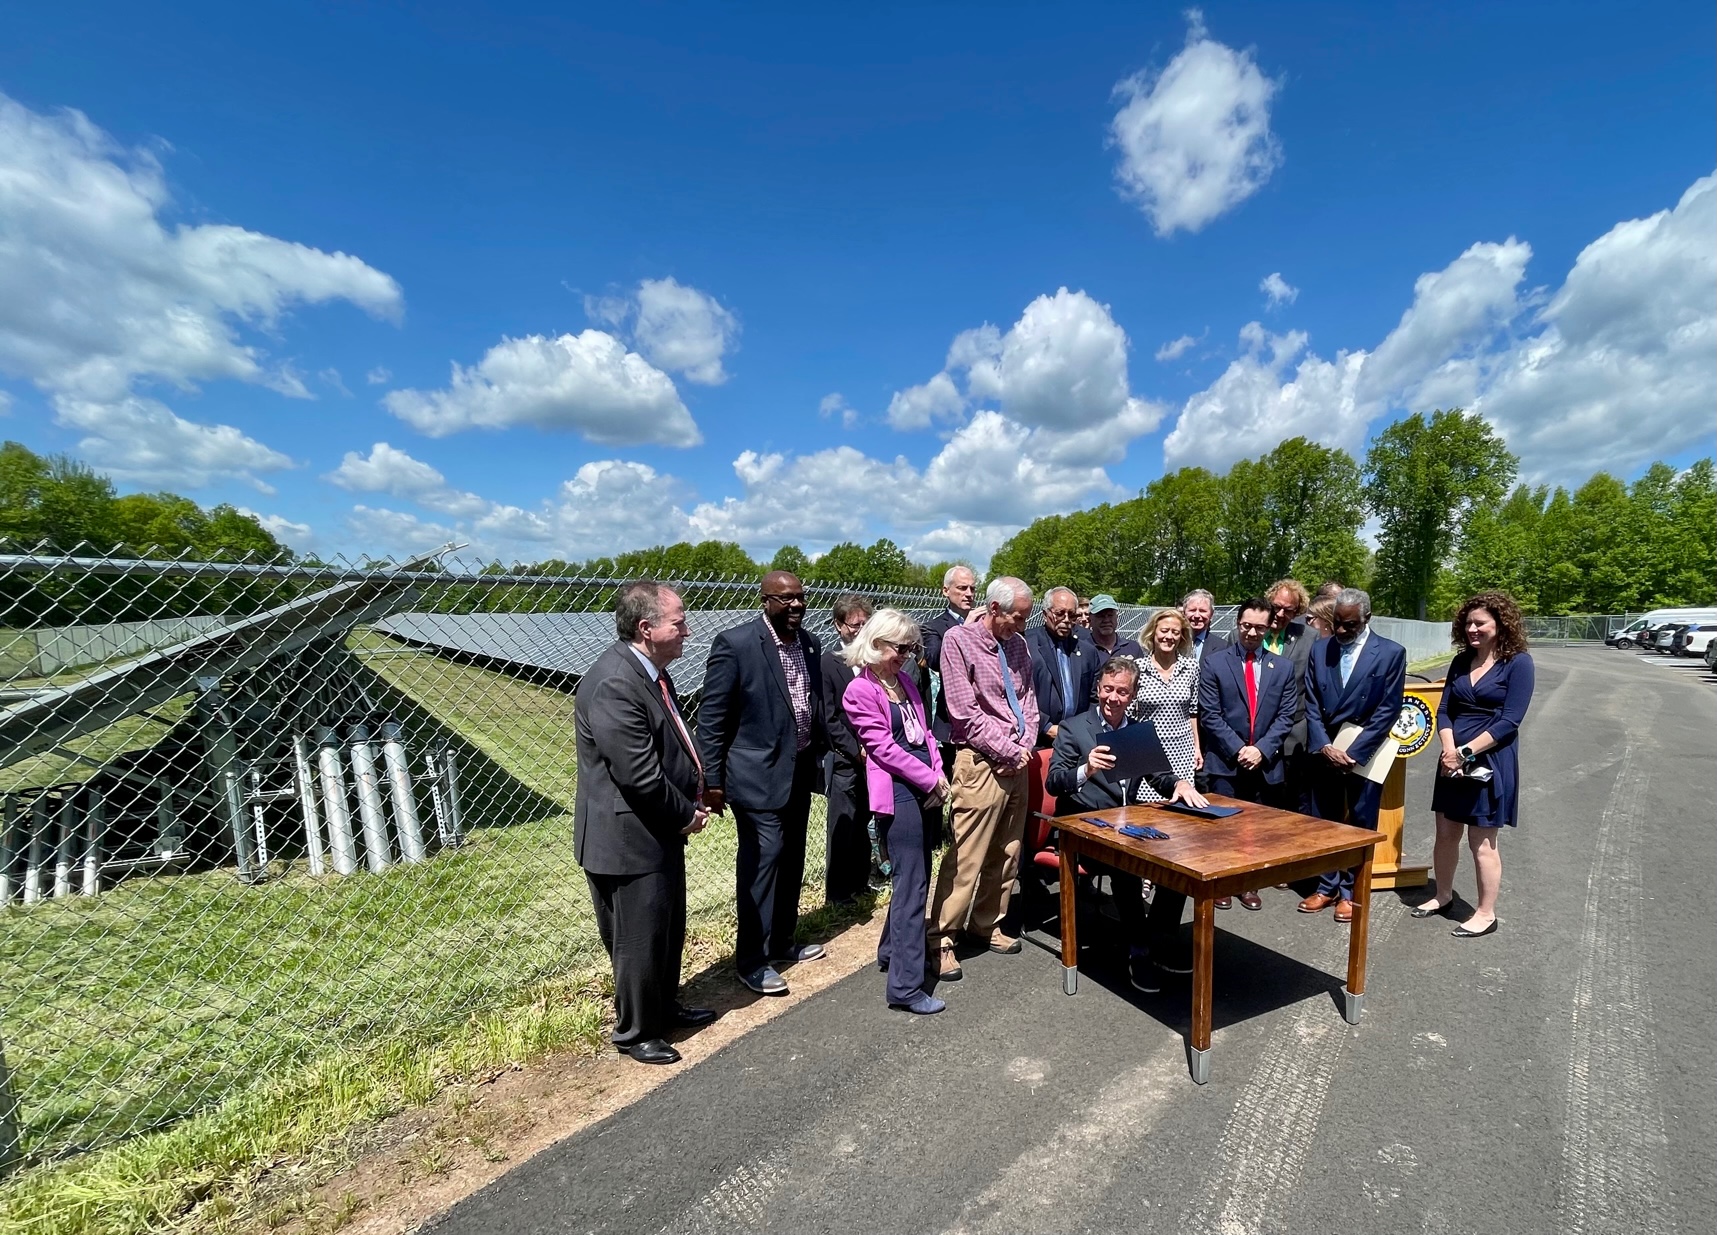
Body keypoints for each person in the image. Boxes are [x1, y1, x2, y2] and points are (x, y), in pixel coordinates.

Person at [574, 581, 716, 1065]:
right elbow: (636, 774)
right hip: (627, 837)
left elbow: (671, 744)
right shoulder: (615, 682)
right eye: (679, 622)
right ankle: (636, 1032)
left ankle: (663, 1006)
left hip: (654, 830)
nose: (687, 631)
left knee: (665, 926)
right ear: (646, 627)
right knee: (638, 937)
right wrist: (685, 814)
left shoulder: (651, 673)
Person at [697, 570, 829, 996]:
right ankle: (751, 960)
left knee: (791, 855)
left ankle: (783, 942)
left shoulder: (809, 643)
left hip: (797, 770)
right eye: (784, 599)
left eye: (800, 598)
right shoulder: (735, 645)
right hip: (753, 776)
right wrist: (711, 779)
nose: (795, 606)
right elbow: (712, 719)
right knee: (764, 856)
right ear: (765, 601)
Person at [1046, 655, 1209, 990]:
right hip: (1082, 828)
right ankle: (1138, 952)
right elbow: (1054, 782)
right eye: (1108, 689)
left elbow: (1160, 775)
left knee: (1178, 856)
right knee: (1128, 866)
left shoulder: (1136, 730)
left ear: (1132, 696)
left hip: (1126, 824)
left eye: (1122, 692)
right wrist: (1086, 769)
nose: (1113, 698)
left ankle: (1158, 939)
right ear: (1098, 689)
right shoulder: (1075, 729)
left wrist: (1179, 783)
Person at [842, 609, 951, 1013]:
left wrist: (938, 772)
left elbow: (924, 735)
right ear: (874, 644)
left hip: (924, 785)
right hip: (900, 793)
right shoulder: (859, 692)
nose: (906, 654)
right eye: (899, 647)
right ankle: (905, 987)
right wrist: (928, 778)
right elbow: (883, 749)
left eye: (910, 647)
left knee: (916, 871)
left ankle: (891, 951)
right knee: (913, 885)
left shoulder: (904, 681)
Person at [929, 576, 1039, 981]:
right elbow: (963, 711)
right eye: (1017, 616)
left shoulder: (1019, 645)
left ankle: (986, 922)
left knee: (1007, 850)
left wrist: (1023, 744)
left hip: (1016, 760)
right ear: (994, 609)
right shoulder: (958, 642)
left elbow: (1027, 699)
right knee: (967, 856)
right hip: (979, 763)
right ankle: (941, 938)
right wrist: (1008, 752)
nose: (1022, 625)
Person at [1413, 591, 1536, 939]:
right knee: (1445, 834)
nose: (1472, 629)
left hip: (1491, 761)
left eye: (1479, 623)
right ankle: (1443, 896)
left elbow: (1509, 721)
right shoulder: (1459, 662)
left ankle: (1486, 913)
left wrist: (1464, 753)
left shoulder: (1519, 663)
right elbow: (1445, 710)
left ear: (1500, 624)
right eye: (1467, 623)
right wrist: (1449, 749)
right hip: (1452, 760)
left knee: (1482, 841)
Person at [1298, 588, 1407, 923]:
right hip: (1327, 749)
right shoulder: (1320, 649)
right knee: (1326, 821)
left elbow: (1388, 709)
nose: (1342, 632)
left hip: (1364, 753)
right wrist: (1324, 745)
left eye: (1350, 625)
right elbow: (1312, 703)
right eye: (1338, 624)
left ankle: (1351, 892)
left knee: (1360, 823)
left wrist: (1355, 752)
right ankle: (1327, 885)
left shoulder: (1390, 653)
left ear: (1367, 619)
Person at [1198, 598, 1299, 910]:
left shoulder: (1282, 668)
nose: (1252, 633)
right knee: (1222, 827)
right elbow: (1210, 715)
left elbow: (1286, 716)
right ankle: (1221, 883)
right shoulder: (1215, 662)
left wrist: (1261, 750)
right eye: (1246, 626)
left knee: (1254, 828)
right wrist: (1239, 749)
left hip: (1264, 763)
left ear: (1269, 627)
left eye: (1259, 627)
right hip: (1226, 762)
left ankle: (1248, 884)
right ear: (1237, 624)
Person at [821, 593, 873, 904]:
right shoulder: (830, 662)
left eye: (865, 624)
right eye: (854, 625)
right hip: (844, 758)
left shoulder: (871, 661)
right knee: (843, 822)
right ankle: (837, 892)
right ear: (840, 626)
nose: (860, 630)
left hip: (872, 757)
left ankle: (859, 881)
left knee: (864, 819)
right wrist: (855, 750)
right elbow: (829, 717)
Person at [1263, 578, 1319, 814]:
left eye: (1288, 610)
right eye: (1276, 606)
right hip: (1256, 737)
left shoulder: (1310, 637)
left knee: (1295, 804)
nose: (1280, 614)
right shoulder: (1243, 633)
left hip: (1294, 737)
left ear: (1298, 612)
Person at [1026, 586, 1098, 747]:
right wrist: (1045, 726)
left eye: (1072, 615)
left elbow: (1095, 699)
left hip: (1075, 741)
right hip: (1037, 740)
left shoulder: (1088, 651)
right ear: (1045, 614)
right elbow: (1019, 695)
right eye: (1060, 613)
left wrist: (1083, 729)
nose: (1066, 620)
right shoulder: (1026, 646)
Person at [923, 565, 978, 773]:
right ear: (945, 591)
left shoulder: (984, 624)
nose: (969, 594)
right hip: (951, 720)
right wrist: (964, 631)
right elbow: (936, 660)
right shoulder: (933, 627)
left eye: (972, 589)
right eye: (962, 588)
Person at [1182, 589, 1232, 664]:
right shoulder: (1172, 642)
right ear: (1184, 613)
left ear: (1211, 615)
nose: (1197, 616)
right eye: (1192, 610)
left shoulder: (1223, 647)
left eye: (1202, 611)